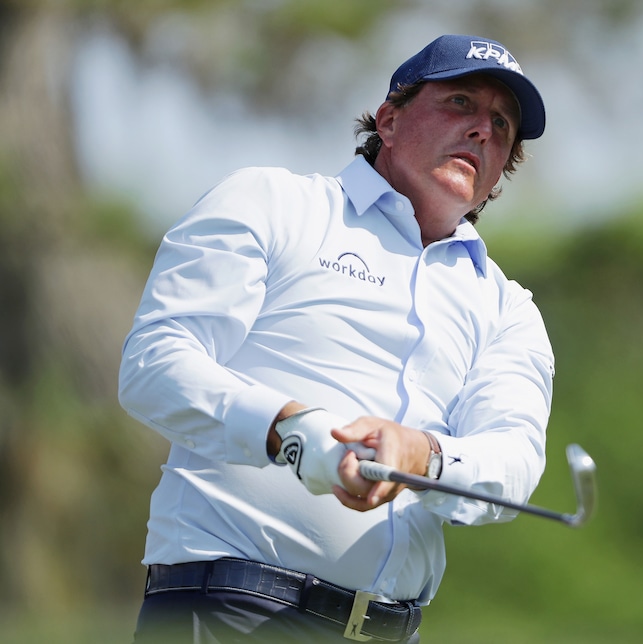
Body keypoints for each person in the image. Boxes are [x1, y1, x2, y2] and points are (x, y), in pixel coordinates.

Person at [118, 34, 554, 643]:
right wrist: (293, 431)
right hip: (233, 608)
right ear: (390, 118)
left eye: (503, 124)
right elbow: (154, 366)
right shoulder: (274, 202)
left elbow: (512, 462)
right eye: (461, 103)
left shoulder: (509, 308)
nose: (484, 130)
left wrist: (423, 455)